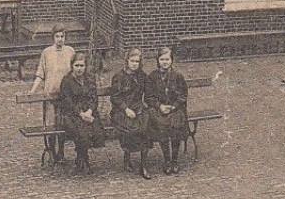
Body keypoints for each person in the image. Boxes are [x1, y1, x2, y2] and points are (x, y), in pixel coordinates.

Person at [31, 27, 77, 160]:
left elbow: (75, 72)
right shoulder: (47, 53)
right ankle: (51, 151)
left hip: (65, 95)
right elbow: (41, 73)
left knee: (62, 123)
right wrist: (32, 90)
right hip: (50, 94)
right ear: (53, 37)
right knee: (51, 123)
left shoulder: (70, 51)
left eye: (62, 36)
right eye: (57, 36)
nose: (60, 39)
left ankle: (61, 152)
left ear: (65, 37)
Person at [146, 45, 190, 175]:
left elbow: (183, 95)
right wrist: (159, 106)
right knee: (162, 126)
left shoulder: (178, 76)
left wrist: (173, 106)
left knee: (176, 125)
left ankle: (175, 160)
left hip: (175, 109)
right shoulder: (152, 77)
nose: (165, 62)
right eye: (162, 59)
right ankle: (166, 160)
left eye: (167, 59)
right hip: (158, 109)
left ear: (172, 60)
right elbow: (148, 97)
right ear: (158, 61)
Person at [109, 48, 152, 178]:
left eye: (137, 62)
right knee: (130, 129)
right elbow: (115, 97)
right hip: (121, 111)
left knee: (146, 127)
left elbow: (148, 94)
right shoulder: (119, 76)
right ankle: (127, 156)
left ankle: (143, 165)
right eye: (132, 61)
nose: (134, 64)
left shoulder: (142, 76)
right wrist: (126, 109)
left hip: (138, 109)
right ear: (127, 61)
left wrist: (146, 106)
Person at [56, 52, 102, 174]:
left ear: (85, 66)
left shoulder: (89, 80)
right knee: (81, 133)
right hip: (72, 114)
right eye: (76, 65)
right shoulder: (66, 81)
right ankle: (83, 159)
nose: (79, 68)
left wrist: (90, 111)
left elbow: (94, 98)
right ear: (72, 66)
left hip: (89, 113)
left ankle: (81, 159)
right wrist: (81, 113)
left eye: (82, 65)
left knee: (96, 133)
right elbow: (66, 100)